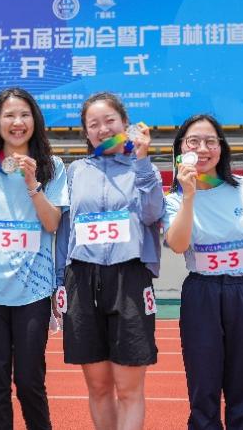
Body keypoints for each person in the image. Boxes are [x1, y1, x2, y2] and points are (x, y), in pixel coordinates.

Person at [163, 113, 243, 430]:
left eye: (210, 141)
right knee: (203, 380)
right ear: (181, 149)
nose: (202, 149)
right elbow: (178, 245)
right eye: (193, 141)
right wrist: (189, 195)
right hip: (201, 292)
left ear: (221, 147)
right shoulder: (174, 200)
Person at [55, 92, 164, 430]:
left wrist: (142, 161)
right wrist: (59, 282)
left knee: (129, 389)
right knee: (99, 387)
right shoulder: (75, 171)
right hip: (81, 278)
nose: (102, 129)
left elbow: (152, 215)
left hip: (129, 276)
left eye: (109, 121)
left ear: (125, 123)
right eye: (94, 124)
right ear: (86, 132)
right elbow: (65, 231)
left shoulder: (143, 168)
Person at [0, 87, 69, 430]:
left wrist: (32, 183)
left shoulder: (52, 166)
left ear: (35, 121)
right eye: (9, 115)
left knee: (29, 382)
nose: (17, 122)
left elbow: (52, 223)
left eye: (24, 114)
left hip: (33, 291)